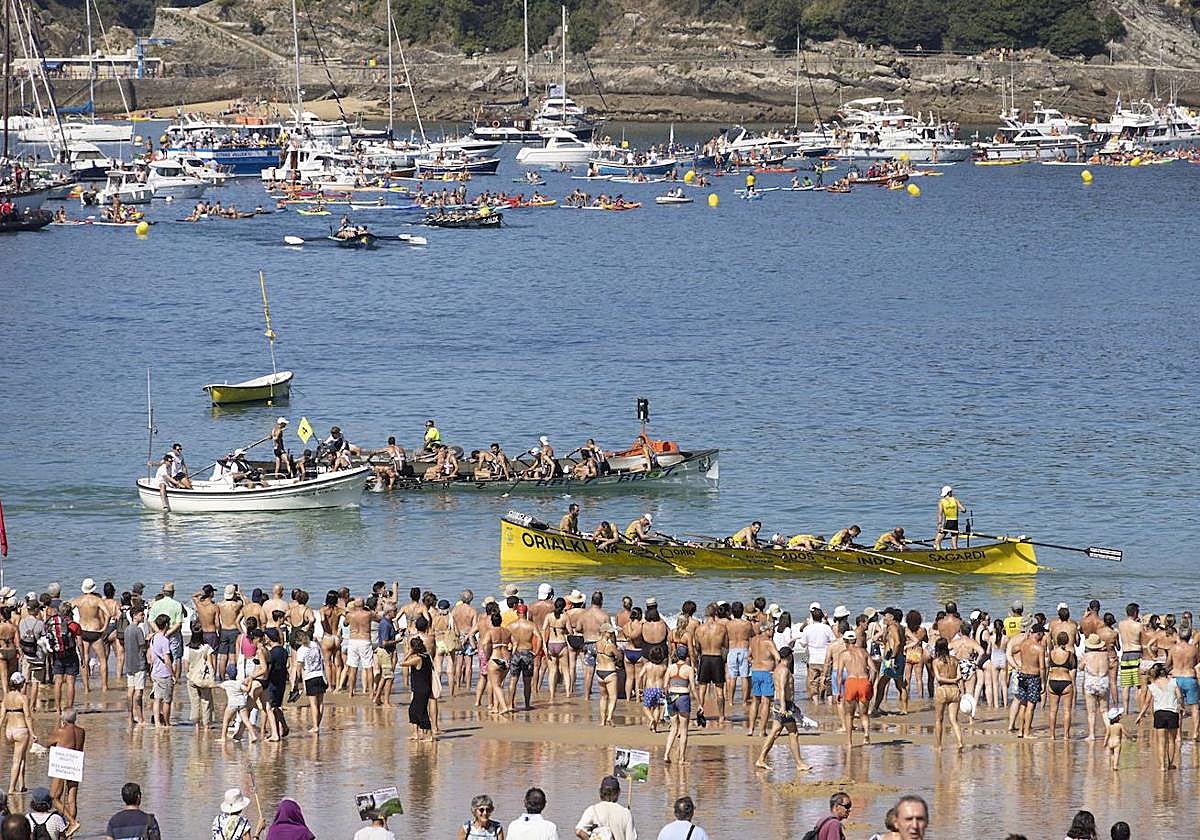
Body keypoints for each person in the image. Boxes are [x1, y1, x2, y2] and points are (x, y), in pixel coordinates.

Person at [43, 710, 83, 833]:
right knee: (72, 799)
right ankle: (69, 831)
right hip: (76, 761)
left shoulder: (61, 731)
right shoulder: (81, 731)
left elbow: (48, 743)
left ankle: (72, 822)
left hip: (62, 761)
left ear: (63, 719)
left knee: (54, 797)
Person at [1137, 662, 1182, 769]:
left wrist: (1140, 715)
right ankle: (1170, 764)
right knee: (1171, 741)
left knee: (1161, 742)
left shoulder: (1152, 686)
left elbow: (1147, 703)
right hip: (1172, 712)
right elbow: (1179, 697)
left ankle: (1162, 766)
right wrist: (1182, 707)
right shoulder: (1173, 682)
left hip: (1159, 714)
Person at [3, 673, 35, 795]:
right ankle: (11, 789)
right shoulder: (23, 698)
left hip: (9, 731)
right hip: (21, 730)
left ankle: (22, 785)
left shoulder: (6, 697)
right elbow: (27, 716)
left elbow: (2, 716)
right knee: (17, 760)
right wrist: (32, 733)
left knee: (21, 757)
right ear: (21, 684)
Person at [930, 638, 963, 750]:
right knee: (954, 719)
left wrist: (951, 680)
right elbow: (959, 676)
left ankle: (938, 746)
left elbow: (939, 678)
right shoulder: (955, 660)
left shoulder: (936, 661)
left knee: (939, 719)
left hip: (942, 690)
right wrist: (957, 685)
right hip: (954, 690)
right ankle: (959, 742)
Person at [663, 648, 695, 765]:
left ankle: (666, 754)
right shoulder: (689, 669)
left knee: (673, 728)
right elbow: (693, 686)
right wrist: (700, 703)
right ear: (687, 656)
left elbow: (665, 685)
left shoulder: (670, 668)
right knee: (684, 730)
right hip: (683, 697)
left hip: (671, 697)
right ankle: (682, 759)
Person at [400, 637, 434, 741]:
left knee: (421, 711)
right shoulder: (427, 656)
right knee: (413, 710)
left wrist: (409, 653)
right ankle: (416, 733)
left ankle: (429, 735)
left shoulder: (417, 659)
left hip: (421, 689)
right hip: (424, 687)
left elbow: (402, 663)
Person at [123, 605, 148, 726]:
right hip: (139, 663)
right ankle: (141, 717)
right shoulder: (138, 630)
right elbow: (143, 647)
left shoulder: (127, 629)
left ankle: (129, 717)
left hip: (129, 664)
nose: (143, 616)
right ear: (135, 616)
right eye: (141, 614)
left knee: (130, 691)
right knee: (139, 692)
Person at [147, 615, 174, 727]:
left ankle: (157, 722)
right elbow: (167, 660)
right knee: (167, 700)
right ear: (166, 625)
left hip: (155, 671)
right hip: (164, 673)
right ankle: (167, 723)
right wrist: (172, 674)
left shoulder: (154, 637)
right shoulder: (164, 640)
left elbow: (150, 655)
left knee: (157, 698)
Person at [934, 485, 965, 549]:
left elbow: (940, 514)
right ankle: (956, 556)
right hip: (955, 523)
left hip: (947, 523)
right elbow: (963, 510)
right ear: (949, 492)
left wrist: (939, 524)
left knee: (937, 541)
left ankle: (939, 555)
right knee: (954, 545)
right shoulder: (955, 500)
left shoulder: (941, 501)